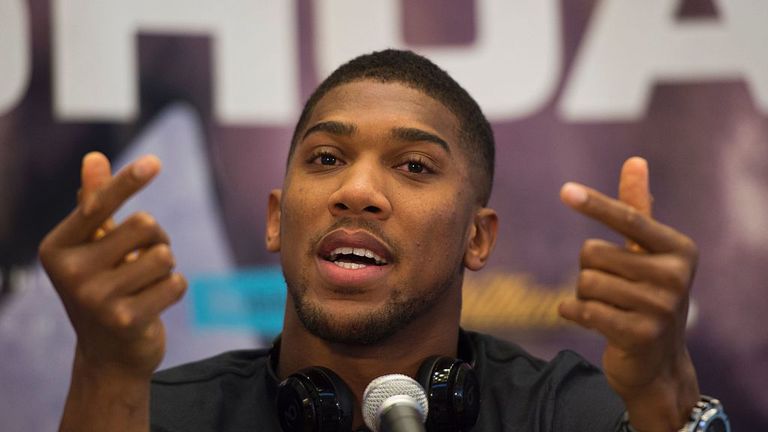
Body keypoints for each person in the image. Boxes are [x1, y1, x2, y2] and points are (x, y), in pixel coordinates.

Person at [39, 49, 722, 431]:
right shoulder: (158, 414)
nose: (357, 191)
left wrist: (664, 398)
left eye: (414, 166)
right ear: (277, 220)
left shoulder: (567, 413)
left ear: (477, 240)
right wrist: (104, 373)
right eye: (327, 159)